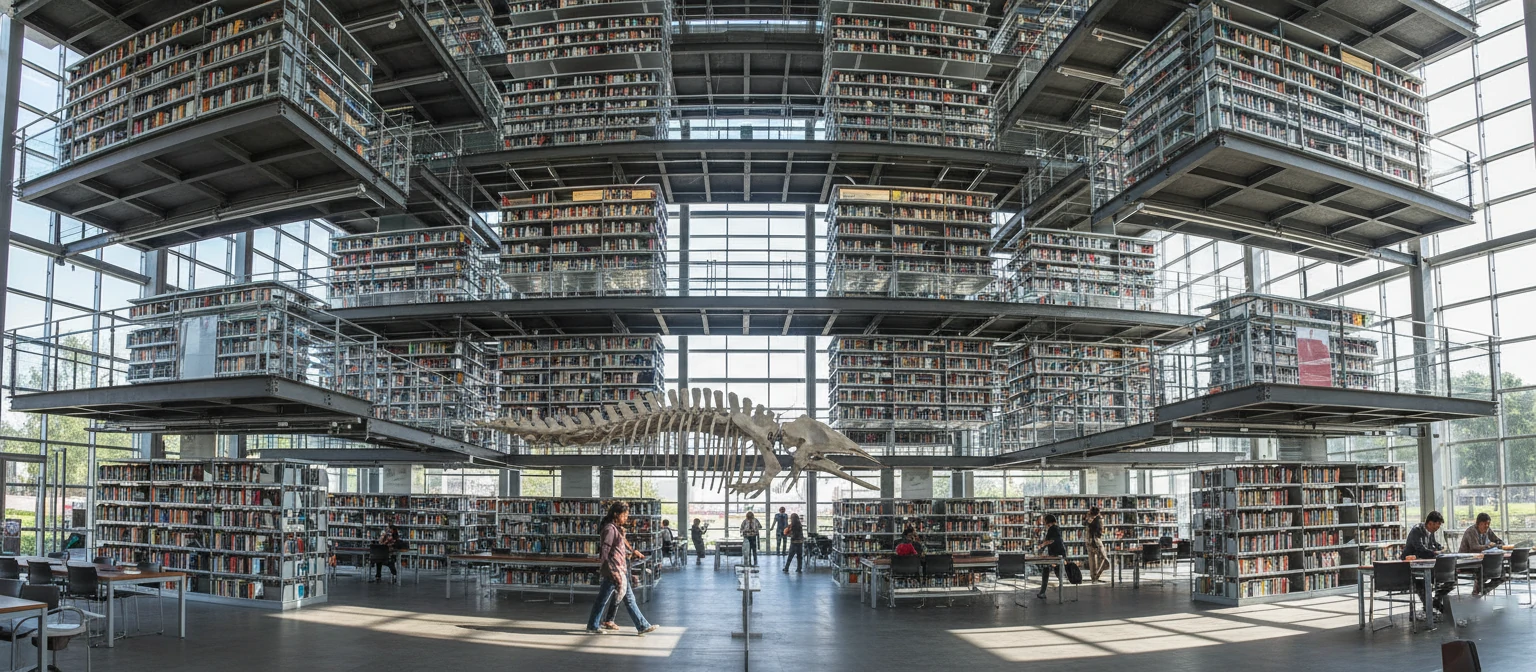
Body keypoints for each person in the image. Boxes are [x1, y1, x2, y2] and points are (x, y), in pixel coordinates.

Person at [586, 502, 659, 636]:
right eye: (624, 515)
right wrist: (608, 568)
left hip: (618, 569)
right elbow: (605, 550)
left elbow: (617, 548)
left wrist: (631, 552)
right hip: (614, 570)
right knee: (621, 599)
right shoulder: (609, 529)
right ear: (616, 514)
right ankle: (641, 625)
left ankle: (598, 623)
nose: (626, 518)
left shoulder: (616, 528)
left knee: (608, 598)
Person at [1403, 511, 1456, 619]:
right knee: (1421, 583)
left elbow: (1434, 544)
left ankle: (1435, 601)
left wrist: (1441, 548)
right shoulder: (1417, 530)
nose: (1437, 529)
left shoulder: (1429, 532)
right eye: (1437, 526)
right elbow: (1420, 549)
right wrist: (1435, 553)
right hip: (1412, 566)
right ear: (1430, 523)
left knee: (1451, 578)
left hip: (1427, 564)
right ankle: (1431, 607)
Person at [1458, 512, 1505, 594]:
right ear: (1478, 524)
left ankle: (1483, 588)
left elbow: (1499, 541)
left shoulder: (1488, 530)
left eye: (1488, 524)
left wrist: (1497, 545)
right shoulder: (1471, 531)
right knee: (1484, 570)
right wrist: (1489, 546)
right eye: (1484, 524)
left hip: (1481, 561)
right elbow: (1474, 547)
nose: (1487, 526)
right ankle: (1480, 588)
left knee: (1502, 571)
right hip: (1467, 561)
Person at [1036, 513, 1066, 599]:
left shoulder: (1052, 529)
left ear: (1047, 522)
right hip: (1059, 554)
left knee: (1046, 570)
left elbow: (1049, 541)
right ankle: (1059, 591)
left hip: (1055, 555)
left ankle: (1042, 592)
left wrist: (1041, 546)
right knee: (1056, 572)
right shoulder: (1057, 528)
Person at [1084, 506, 1109, 583]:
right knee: (1104, 558)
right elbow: (1099, 531)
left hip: (1088, 541)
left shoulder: (1090, 519)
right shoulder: (1098, 519)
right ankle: (1096, 575)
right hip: (1095, 541)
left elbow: (1085, 524)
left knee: (1092, 559)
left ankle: (1094, 577)